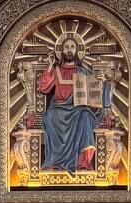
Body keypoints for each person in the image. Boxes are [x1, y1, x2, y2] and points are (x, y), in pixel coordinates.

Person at [36, 36, 119, 172]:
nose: (69, 50)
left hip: (78, 109)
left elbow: (96, 90)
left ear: (77, 50)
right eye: (66, 47)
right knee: (49, 116)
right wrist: (50, 66)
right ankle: (53, 161)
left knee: (86, 116)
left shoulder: (84, 71)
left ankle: (83, 163)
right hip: (58, 107)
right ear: (62, 51)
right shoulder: (56, 70)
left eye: (72, 47)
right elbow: (44, 88)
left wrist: (103, 82)